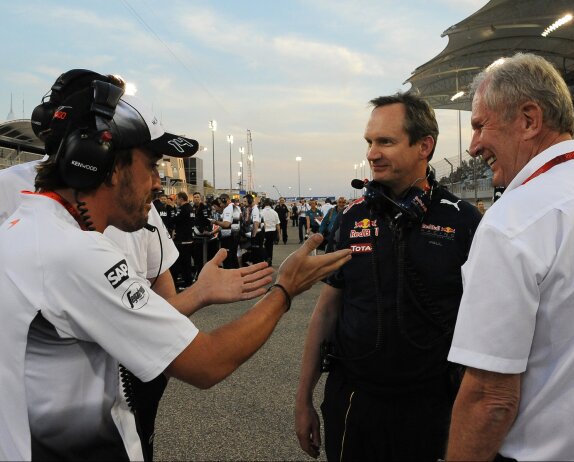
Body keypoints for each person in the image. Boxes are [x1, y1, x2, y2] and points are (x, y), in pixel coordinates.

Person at [0, 73, 352, 461]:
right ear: (108, 164)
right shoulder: (72, 253)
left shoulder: (27, 227)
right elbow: (206, 362)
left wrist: (198, 293)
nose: (157, 183)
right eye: (151, 166)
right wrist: (285, 289)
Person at [445, 53, 574, 461]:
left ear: (528, 119)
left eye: (479, 125)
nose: (473, 146)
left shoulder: (513, 221)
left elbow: (490, 398)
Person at [295, 92, 481, 461]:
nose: (372, 153)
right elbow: (327, 311)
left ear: (424, 146)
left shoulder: (464, 221)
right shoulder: (352, 217)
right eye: (369, 142)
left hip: (432, 405)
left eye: (386, 141)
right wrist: (303, 399)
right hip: (354, 400)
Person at [171, 191, 195, 289]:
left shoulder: (182, 209)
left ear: (181, 199)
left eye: (177, 199)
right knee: (187, 262)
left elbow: (175, 220)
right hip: (189, 238)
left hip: (182, 239)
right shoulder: (191, 208)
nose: (176, 201)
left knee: (182, 262)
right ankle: (188, 281)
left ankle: (186, 283)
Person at [213, 193, 240, 269]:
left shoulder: (228, 209)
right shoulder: (236, 207)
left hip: (229, 238)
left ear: (226, 200)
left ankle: (229, 277)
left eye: (221, 203)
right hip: (235, 236)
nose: (220, 205)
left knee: (228, 260)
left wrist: (216, 222)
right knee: (233, 258)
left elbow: (226, 224)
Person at [261, 198, 281, 266]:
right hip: (272, 232)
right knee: (270, 247)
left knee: (263, 246)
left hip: (264, 231)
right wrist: (279, 234)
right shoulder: (274, 212)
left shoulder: (261, 212)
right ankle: (270, 261)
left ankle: (266, 259)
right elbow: (277, 224)